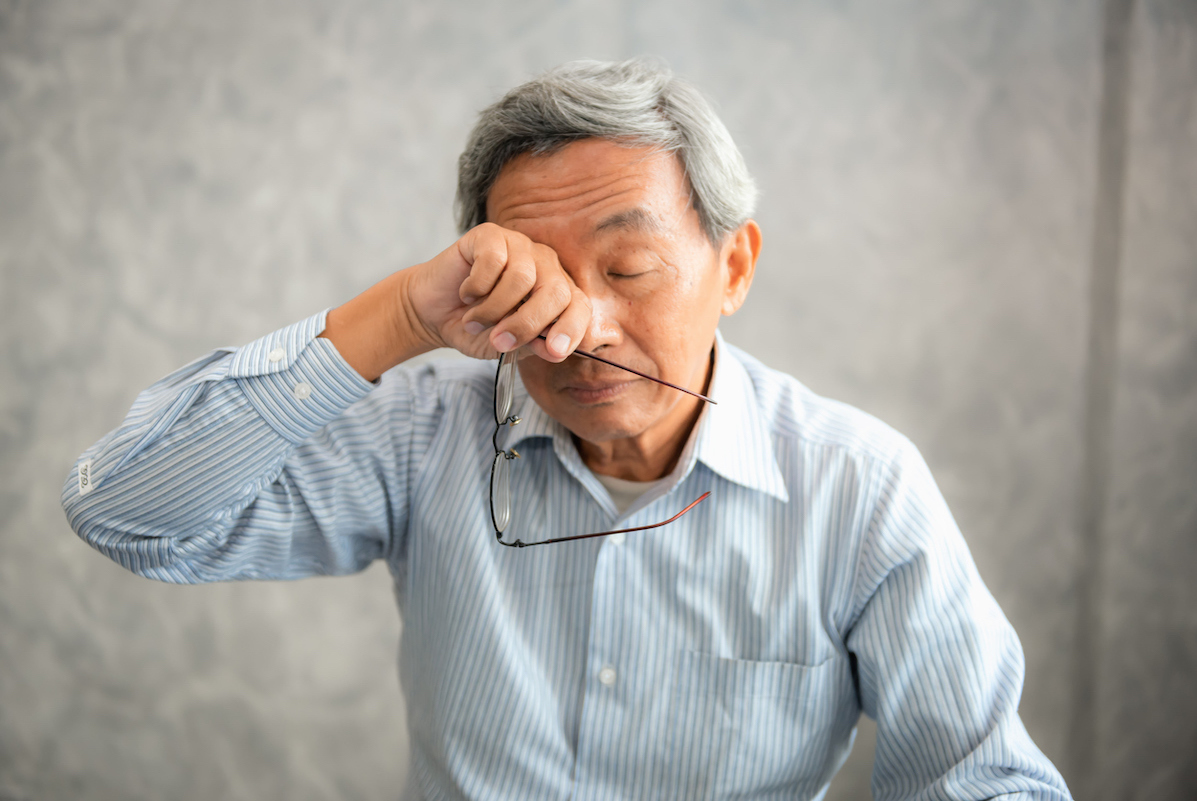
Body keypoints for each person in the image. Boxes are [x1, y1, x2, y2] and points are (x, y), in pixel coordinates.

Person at [62, 58, 1071, 799]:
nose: (577, 328)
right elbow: (128, 515)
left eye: (628, 272)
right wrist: (401, 316)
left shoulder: (859, 489)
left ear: (735, 268)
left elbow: (987, 780)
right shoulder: (428, 436)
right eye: (532, 281)